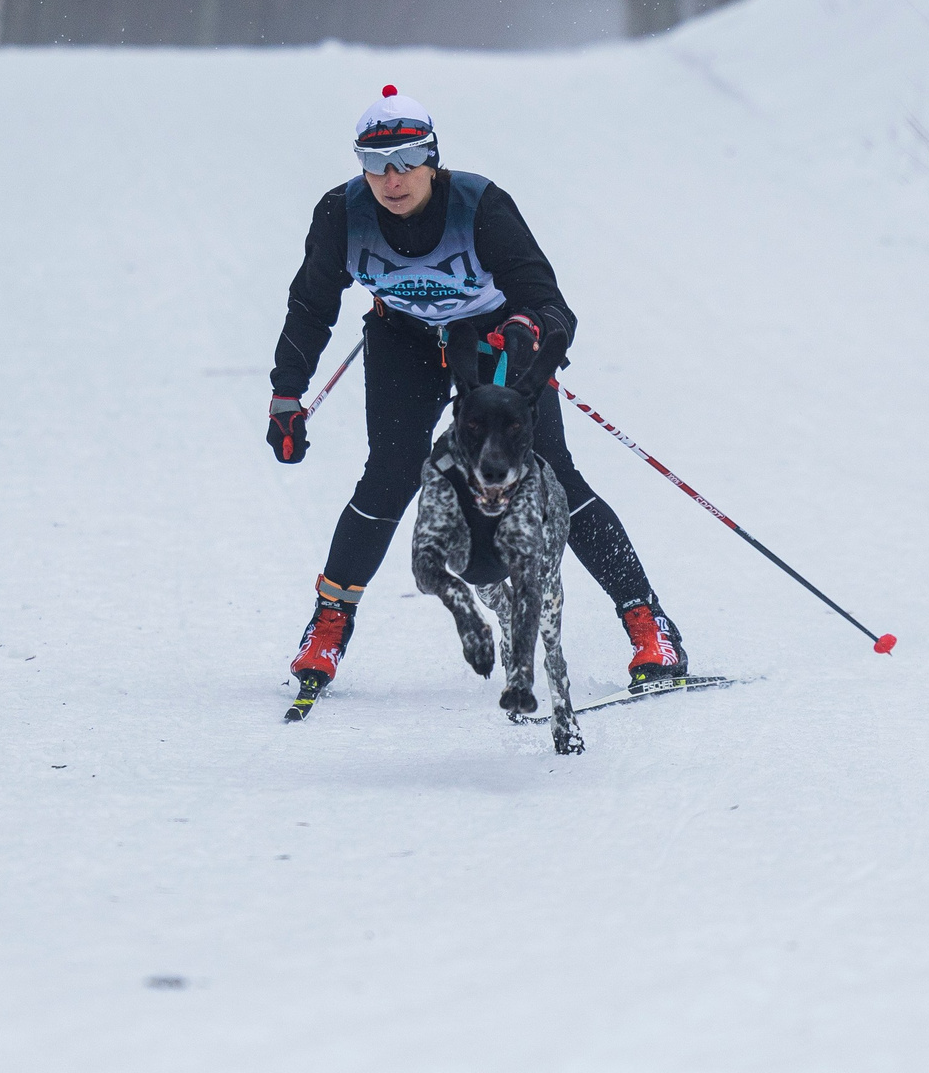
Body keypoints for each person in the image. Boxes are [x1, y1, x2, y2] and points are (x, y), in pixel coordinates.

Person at [266, 85, 688, 698]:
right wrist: (287, 394)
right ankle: (329, 624)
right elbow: (310, 305)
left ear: (432, 158)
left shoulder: (480, 204)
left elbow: (550, 302)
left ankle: (647, 623)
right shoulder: (342, 211)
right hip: (403, 343)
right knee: (390, 475)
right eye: (376, 163)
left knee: (550, 476)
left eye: (408, 158)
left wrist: (529, 330)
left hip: (492, 344)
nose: (393, 178)